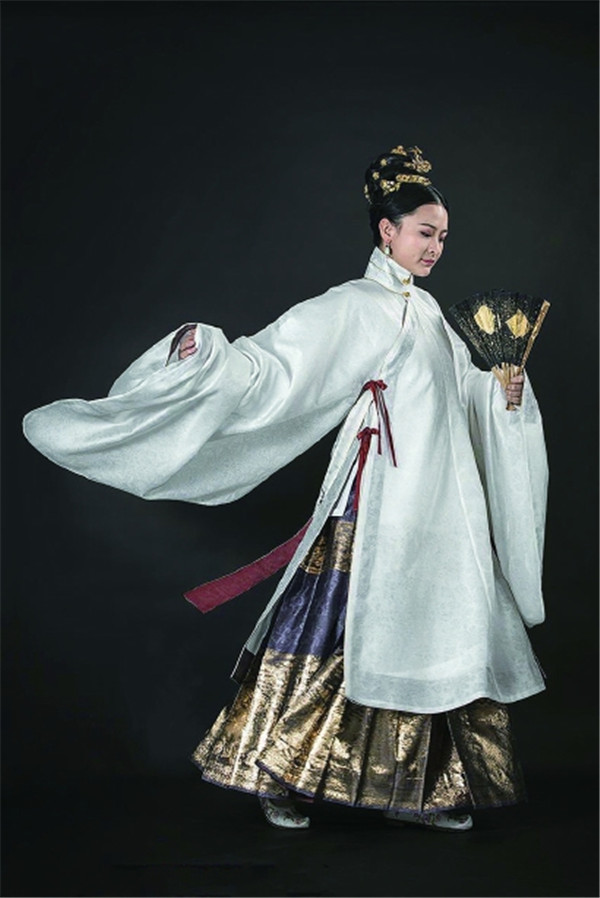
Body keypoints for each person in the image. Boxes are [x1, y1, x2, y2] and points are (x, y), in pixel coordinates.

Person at [22, 144, 548, 833]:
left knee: (434, 634)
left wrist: (502, 391)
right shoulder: (355, 306)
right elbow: (275, 366)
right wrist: (209, 358)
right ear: (386, 230)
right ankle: (274, 774)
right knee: (328, 635)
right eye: (425, 232)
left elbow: (460, 396)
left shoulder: (428, 313)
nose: (435, 248)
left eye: (443, 237)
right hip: (377, 504)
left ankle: (416, 791)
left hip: (438, 512)